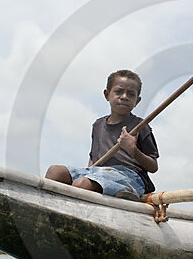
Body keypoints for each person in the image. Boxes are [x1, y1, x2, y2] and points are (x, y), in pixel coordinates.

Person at [45, 69, 159, 201]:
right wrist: (90, 171)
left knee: (81, 185)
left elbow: (153, 167)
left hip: (129, 177)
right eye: (118, 91)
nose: (124, 97)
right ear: (107, 94)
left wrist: (132, 149)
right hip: (98, 172)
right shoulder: (98, 125)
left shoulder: (140, 126)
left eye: (131, 94)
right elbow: (93, 158)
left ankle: (126, 192)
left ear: (137, 101)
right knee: (55, 172)